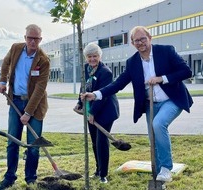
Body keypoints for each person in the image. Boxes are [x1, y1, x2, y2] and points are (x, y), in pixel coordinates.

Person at [81, 26, 193, 182]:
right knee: (153, 138)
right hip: (150, 104)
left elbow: (187, 71)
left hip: (171, 99)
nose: (140, 43)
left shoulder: (166, 51)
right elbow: (118, 84)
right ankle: (160, 174)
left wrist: (162, 78)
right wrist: (96, 94)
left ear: (149, 38)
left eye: (143, 39)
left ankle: (166, 168)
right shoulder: (132, 62)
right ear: (132, 43)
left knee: (158, 124)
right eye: (136, 40)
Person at [0, 24, 50, 189]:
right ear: (25, 37)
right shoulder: (16, 49)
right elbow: (5, 64)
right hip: (15, 101)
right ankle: (10, 177)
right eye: (30, 38)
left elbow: (40, 89)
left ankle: (30, 178)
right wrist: (3, 81)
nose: (33, 41)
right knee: (13, 141)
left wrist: (28, 112)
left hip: (35, 105)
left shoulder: (44, 60)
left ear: (40, 40)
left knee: (34, 146)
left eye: (36, 39)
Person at [74, 43, 119, 183]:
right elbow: (83, 88)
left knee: (101, 142)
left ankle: (103, 175)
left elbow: (103, 96)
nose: (92, 59)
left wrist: (93, 112)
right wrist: (79, 103)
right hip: (90, 110)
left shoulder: (105, 72)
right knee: (94, 142)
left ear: (99, 56)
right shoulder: (86, 69)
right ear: (86, 57)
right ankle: (98, 170)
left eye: (95, 56)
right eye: (89, 56)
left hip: (105, 111)